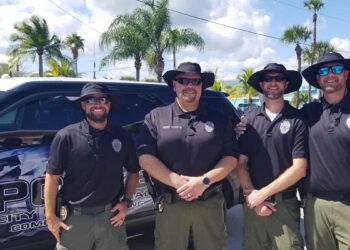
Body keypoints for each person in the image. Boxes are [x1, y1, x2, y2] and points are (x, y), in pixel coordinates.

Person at [137, 62, 238, 250]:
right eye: (183, 80)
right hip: (171, 203)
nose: (189, 86)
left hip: (210, 202)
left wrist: (203, 182)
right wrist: (178, 182)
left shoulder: (218, 118)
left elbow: (231, 158)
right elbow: (145, 157)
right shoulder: (156, 117)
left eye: (195, 81)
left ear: (201, 86)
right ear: (174, 85)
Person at [44, 82, 139, 250]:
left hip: (111, 217)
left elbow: (133, 172)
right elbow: (52, 177)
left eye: (102, 99)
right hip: (75, 219)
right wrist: (50, 216)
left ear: (108, 104)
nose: (97, 104)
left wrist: (126, 202)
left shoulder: (122, 136)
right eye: (90, 100)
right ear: (83, 105)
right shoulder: (66, 136)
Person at [235, 63, 308, 250]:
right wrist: (252, 195)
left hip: (285, 204)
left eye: (278, 78)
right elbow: (240, 164)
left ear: (285, 84)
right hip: (253, 204)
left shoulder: (297, 119)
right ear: (261, 84)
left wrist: (263, 195)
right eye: (268, 78)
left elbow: (299, 169)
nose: (273, 83)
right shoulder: (249, 121)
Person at [301, 52, 350, 250]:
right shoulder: (308, 112)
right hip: (316, 206)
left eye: (336, 69)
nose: (330, 74)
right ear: (318, 78)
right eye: (324, 71)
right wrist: (243, 127)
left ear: (346, 74)